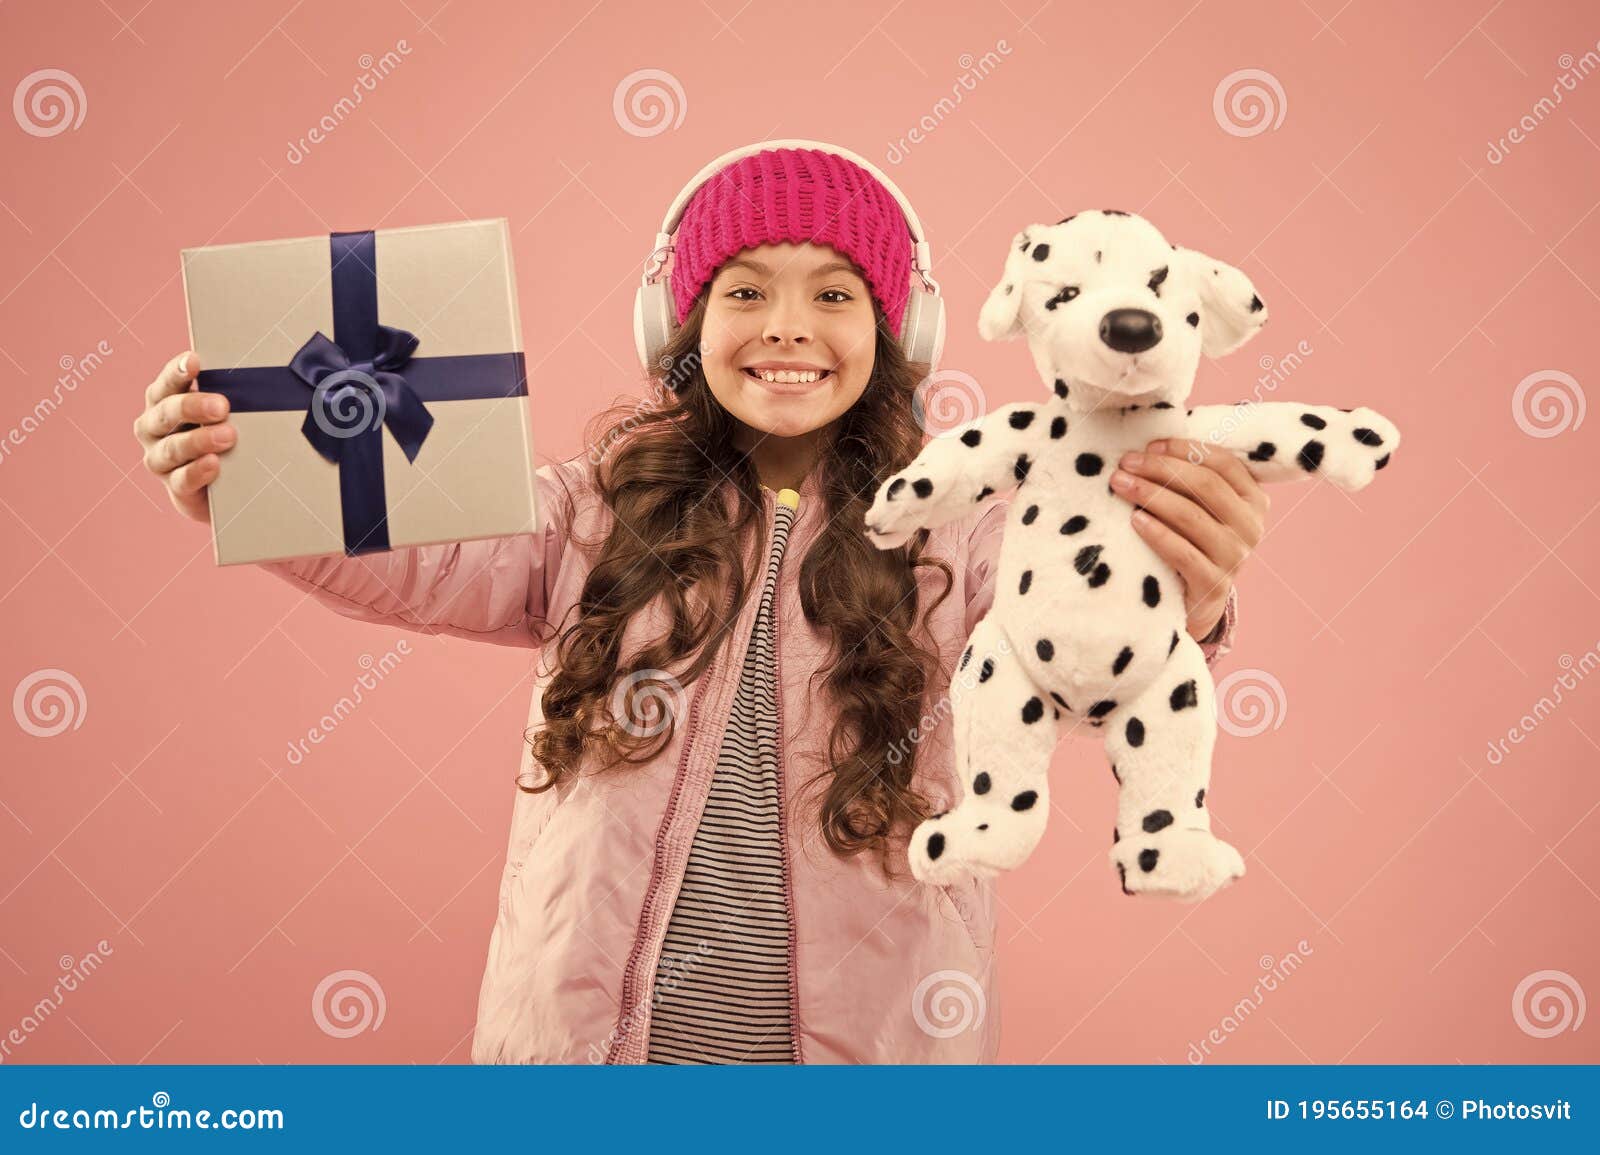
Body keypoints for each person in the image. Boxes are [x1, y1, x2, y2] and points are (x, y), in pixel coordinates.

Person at [132, 142, 1266, 1064]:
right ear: (680, 325)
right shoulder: (592, 512)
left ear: (896, 331)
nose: (784, 325)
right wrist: (258, 482)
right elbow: (421, 556)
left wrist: (1190, 600)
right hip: (596, 1061)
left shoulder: (960, 526)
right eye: (743, 292)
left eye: (832, 292)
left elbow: (1068, 658)